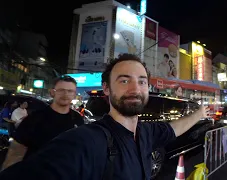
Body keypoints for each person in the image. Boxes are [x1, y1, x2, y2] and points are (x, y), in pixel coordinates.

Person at [0, 53, 209, 180]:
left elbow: (175, 128)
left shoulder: (147, 133)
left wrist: (200, 112)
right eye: (124, 81)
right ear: (106, 89)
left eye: (142, 81)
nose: (135, 88)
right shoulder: (85, 141)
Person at [1, 75, 84, 170]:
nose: (65, 94)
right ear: (52, 92)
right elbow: (15, 154)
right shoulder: (35, 118)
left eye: (70, 91)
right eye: (61, 90)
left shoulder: (77, 119)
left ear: (74, 94)